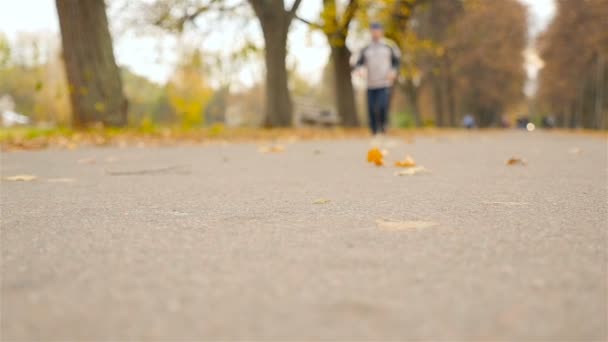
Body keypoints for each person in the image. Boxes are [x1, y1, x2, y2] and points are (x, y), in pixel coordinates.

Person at [353, 22, 401, 136]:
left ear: (381, 32)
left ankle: (383, 126)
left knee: (382, 106)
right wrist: (360, 70)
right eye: (373, 30)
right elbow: (358, 62)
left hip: (384, 82)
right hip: (370, 83)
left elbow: (397, 61)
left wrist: (393, 72)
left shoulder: (389, 45)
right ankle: (374, 131)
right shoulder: (366, 47)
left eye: (377, 30)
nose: (375, 33)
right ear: (371, 32)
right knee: (371, 109)